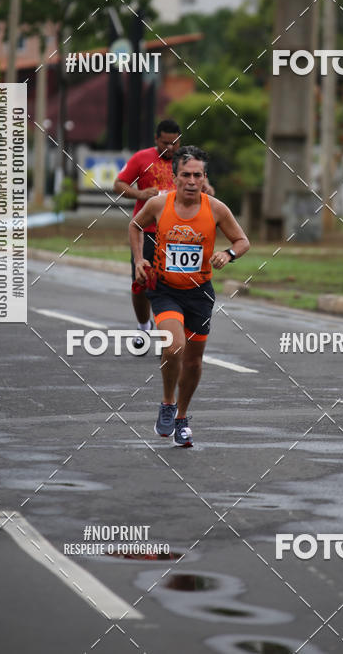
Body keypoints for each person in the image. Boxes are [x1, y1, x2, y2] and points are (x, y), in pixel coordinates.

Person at [129, 145, 250, 447]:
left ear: (204, 177)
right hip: (165, 289)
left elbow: (242, 240)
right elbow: (134, 225)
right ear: (176, 177)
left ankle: (182, 417)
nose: (192, 181)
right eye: (186, 175)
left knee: (194, 363)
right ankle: (168, 402)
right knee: (174, 347)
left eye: (198, 175)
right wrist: (137, 260)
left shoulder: (216, 208)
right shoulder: (159, 204)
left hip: (199, 293)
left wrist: (228, 253)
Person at [113, 119, 182, 345]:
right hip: (146, 231)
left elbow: (204, 186)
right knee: (142, 282)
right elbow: (119, 184)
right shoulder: (141, 158)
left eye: (174, 143)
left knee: (173, 285)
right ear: (156, 139)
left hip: (179, 235)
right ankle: (144, 326)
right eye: (165, 143)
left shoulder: (187, 162)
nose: (170, 148)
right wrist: (140, 195)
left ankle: (170, 333)